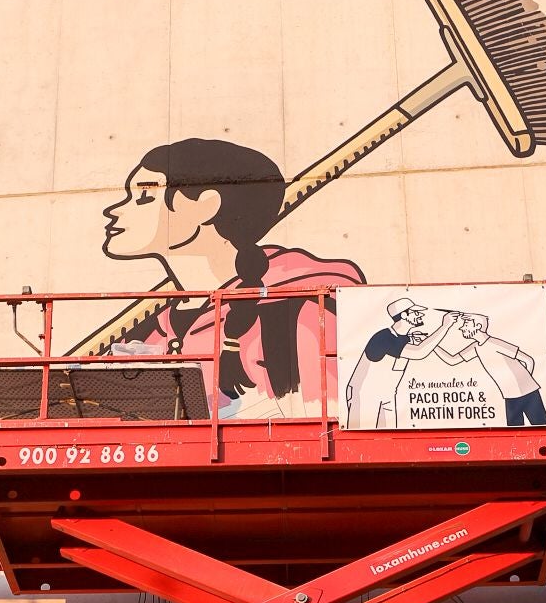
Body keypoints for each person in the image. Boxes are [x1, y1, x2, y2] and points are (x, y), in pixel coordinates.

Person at [101, 138, 365, 412]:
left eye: (144, 196)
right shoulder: (147, 335)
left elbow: (329, 419)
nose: (114, 210)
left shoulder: (299, 309)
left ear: (206, 206)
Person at [343, 296, 431, 428]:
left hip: (388, 394)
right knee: (362, 438)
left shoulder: (405, 338)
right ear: (403, 315)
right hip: (365, 394)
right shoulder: (384, 337)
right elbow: (419, 352)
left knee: (389, 439)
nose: (420, 315)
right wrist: (445, 326)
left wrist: (413, 339)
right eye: (416, 313)